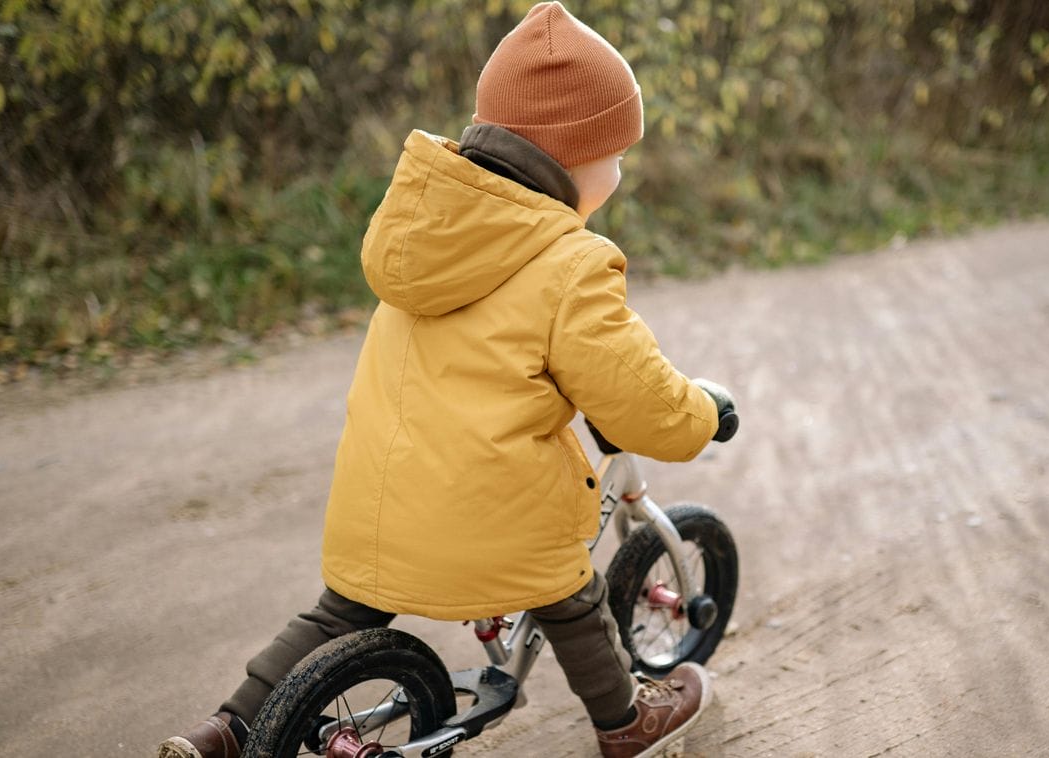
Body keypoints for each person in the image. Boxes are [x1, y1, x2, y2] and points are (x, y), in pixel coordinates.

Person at [156, 3, 736, 758]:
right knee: (569, 588)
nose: (621, 171)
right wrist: (700, 413)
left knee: (337, 614)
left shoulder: (420, 234)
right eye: (616, 153)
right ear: (570, 159)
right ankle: (626, 722)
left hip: (378, 509)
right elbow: (639, 397)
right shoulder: (572, 263)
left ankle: (225, 731)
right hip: (489, 522)